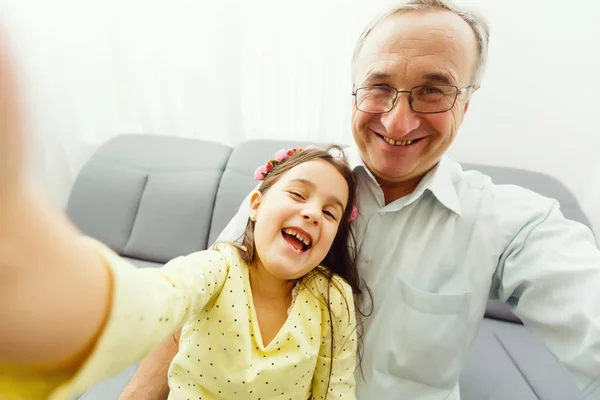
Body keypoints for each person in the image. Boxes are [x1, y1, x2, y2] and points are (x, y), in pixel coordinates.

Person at [120, 1, 600, 399]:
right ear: (354, 91)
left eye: (434, 91)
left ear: (467, 103)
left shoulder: (512, 223)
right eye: (379, 86)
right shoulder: (297, 186)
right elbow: (192, 312)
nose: (397, 122)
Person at [0, 59, 367, 400]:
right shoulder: (216, 269)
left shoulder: (332, 297)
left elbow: (335, 389)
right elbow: (159, 296)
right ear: (255, 205)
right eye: (297, 194)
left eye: (330, 213)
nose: (312, 213)